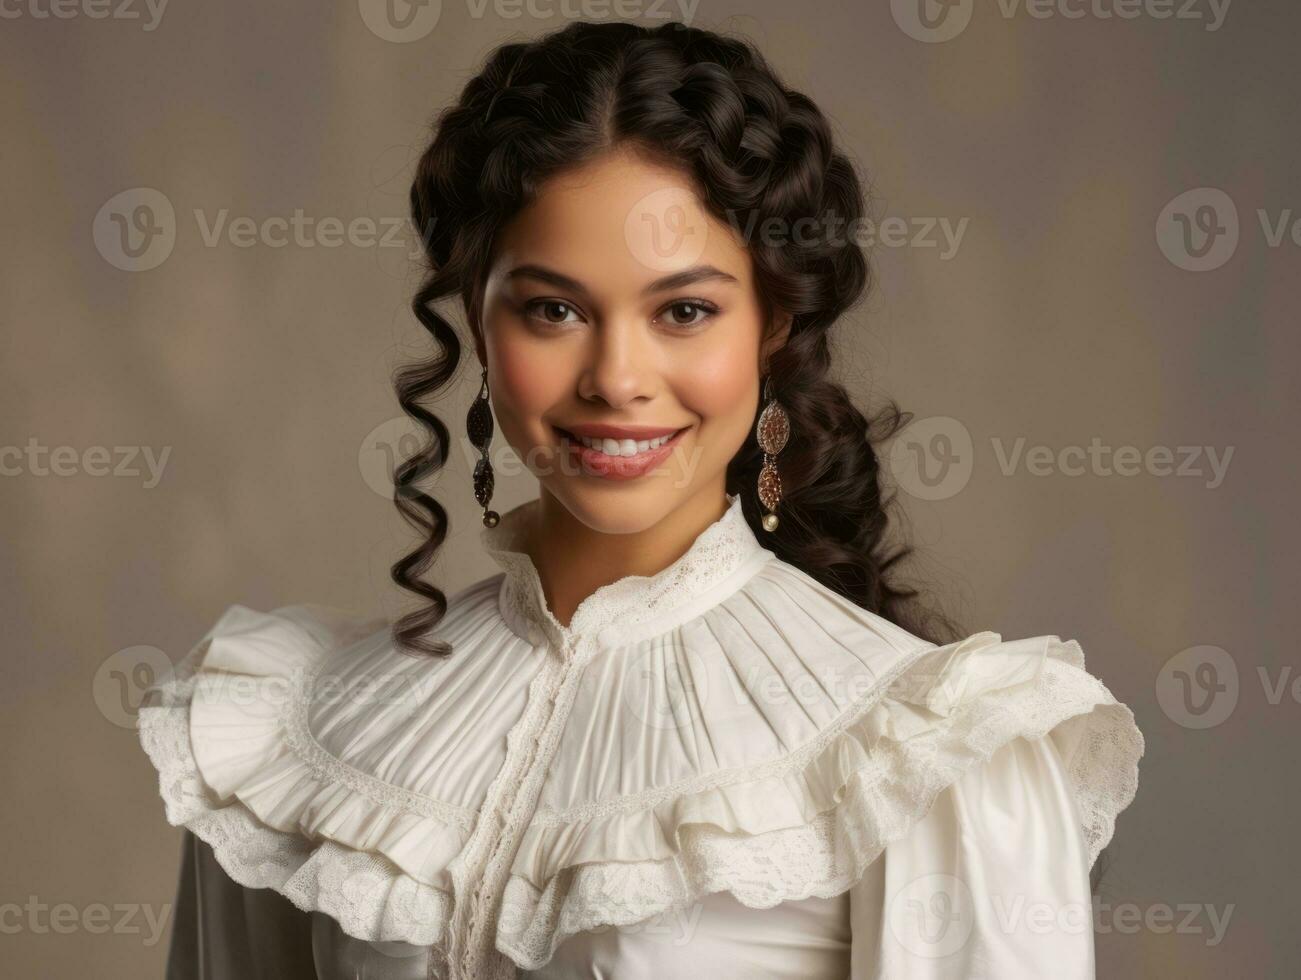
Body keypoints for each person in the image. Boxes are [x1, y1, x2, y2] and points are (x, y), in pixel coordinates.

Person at [138, 20, 1143, 979]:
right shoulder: (299, 732)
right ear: (478, 324)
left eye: (684, 310)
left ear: (771, 326)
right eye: (553, 308)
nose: (616, 376)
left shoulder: (927, 755)